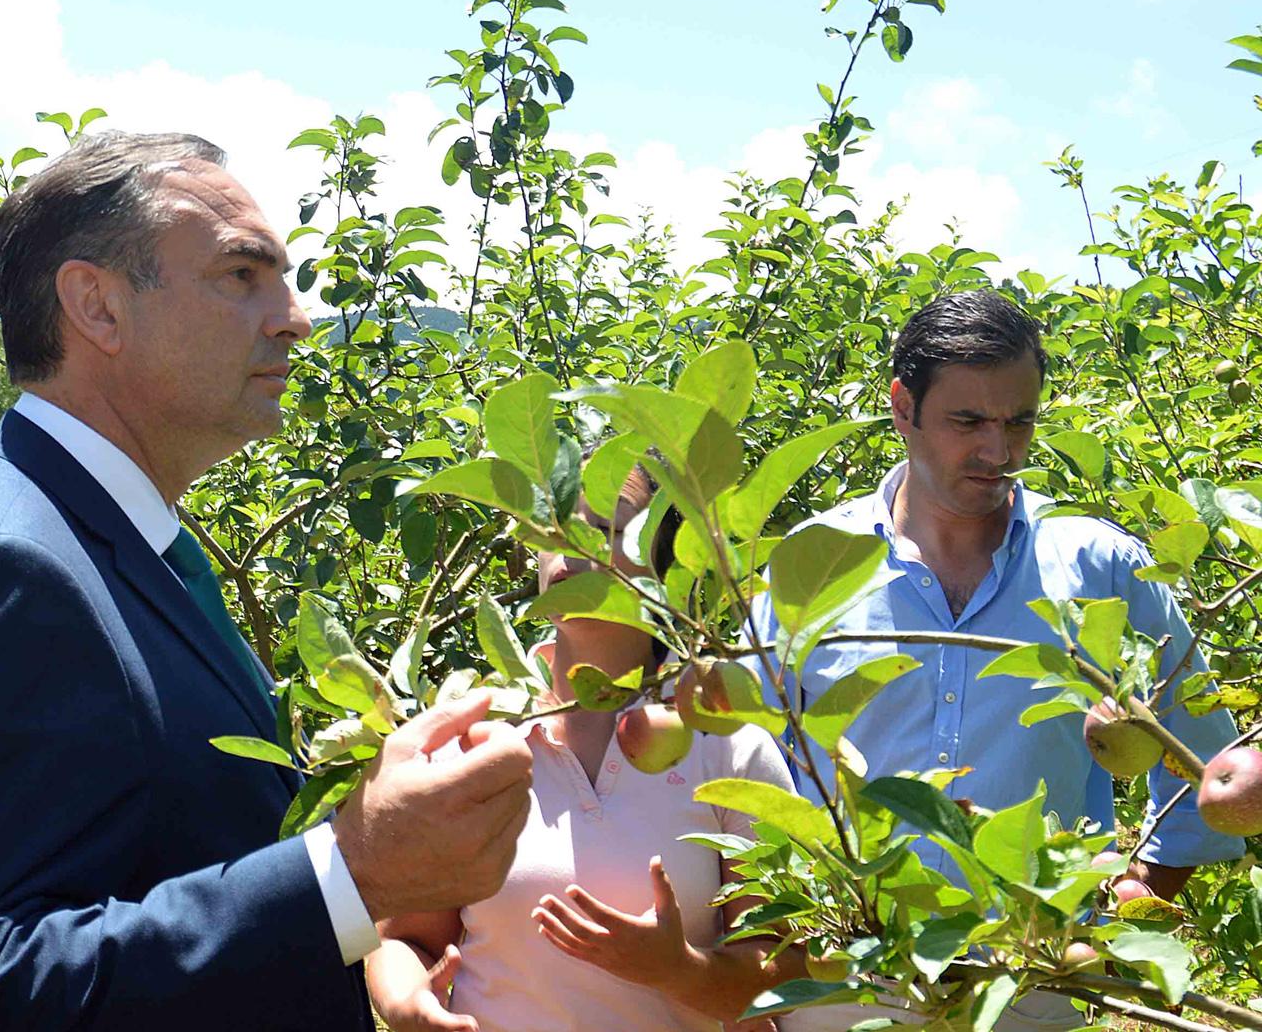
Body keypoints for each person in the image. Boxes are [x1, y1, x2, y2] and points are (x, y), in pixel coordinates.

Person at [0, 131, 535, 1031]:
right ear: (97, 307)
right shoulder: (2, 571)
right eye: (241, 275)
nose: (295, 316)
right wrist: (349, 873)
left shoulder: (113, 539)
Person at [749, 289, 1241, 1031]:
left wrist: (1140, 894)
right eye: (968, 421)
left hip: (1036, 994)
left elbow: (1208, 758)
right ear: (901, 407)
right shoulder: (815, 565)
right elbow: (738, 770)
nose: (998, 451)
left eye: (1020, 421)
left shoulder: (1100, 568)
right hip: (843, 981)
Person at [368, 466, 799, 1032]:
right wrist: (407, 1005)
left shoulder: (727, 751)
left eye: (606, 530)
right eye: (555, 525)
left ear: (662, 569)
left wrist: (679, 971)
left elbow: (785, 973)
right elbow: (404, 939)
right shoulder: (480, 742)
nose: (570, 548)